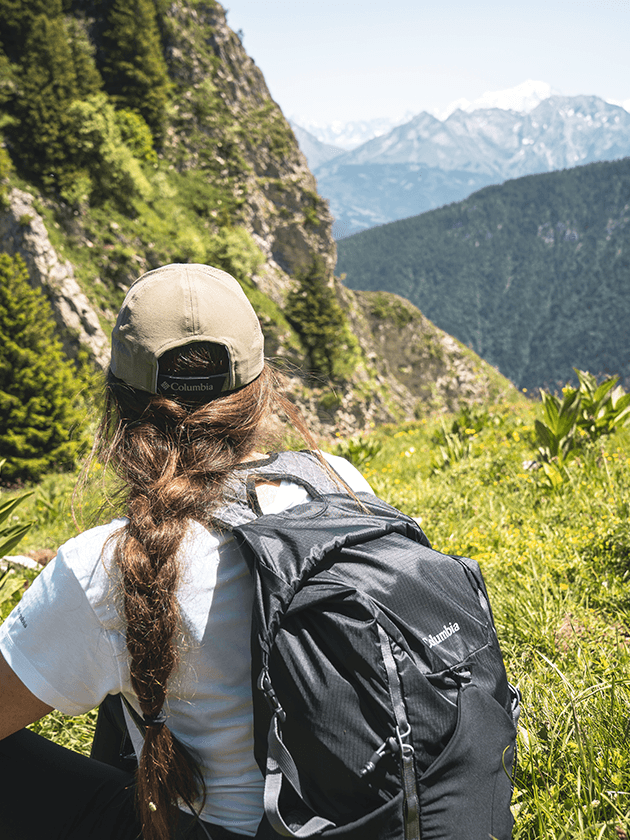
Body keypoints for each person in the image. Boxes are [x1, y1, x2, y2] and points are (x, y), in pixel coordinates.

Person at [0, 263, 373, 840]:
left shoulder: (104, 566)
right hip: (368, 817)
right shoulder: (336, 482)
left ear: (120, 404)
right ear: (260, 391)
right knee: (135, 669)